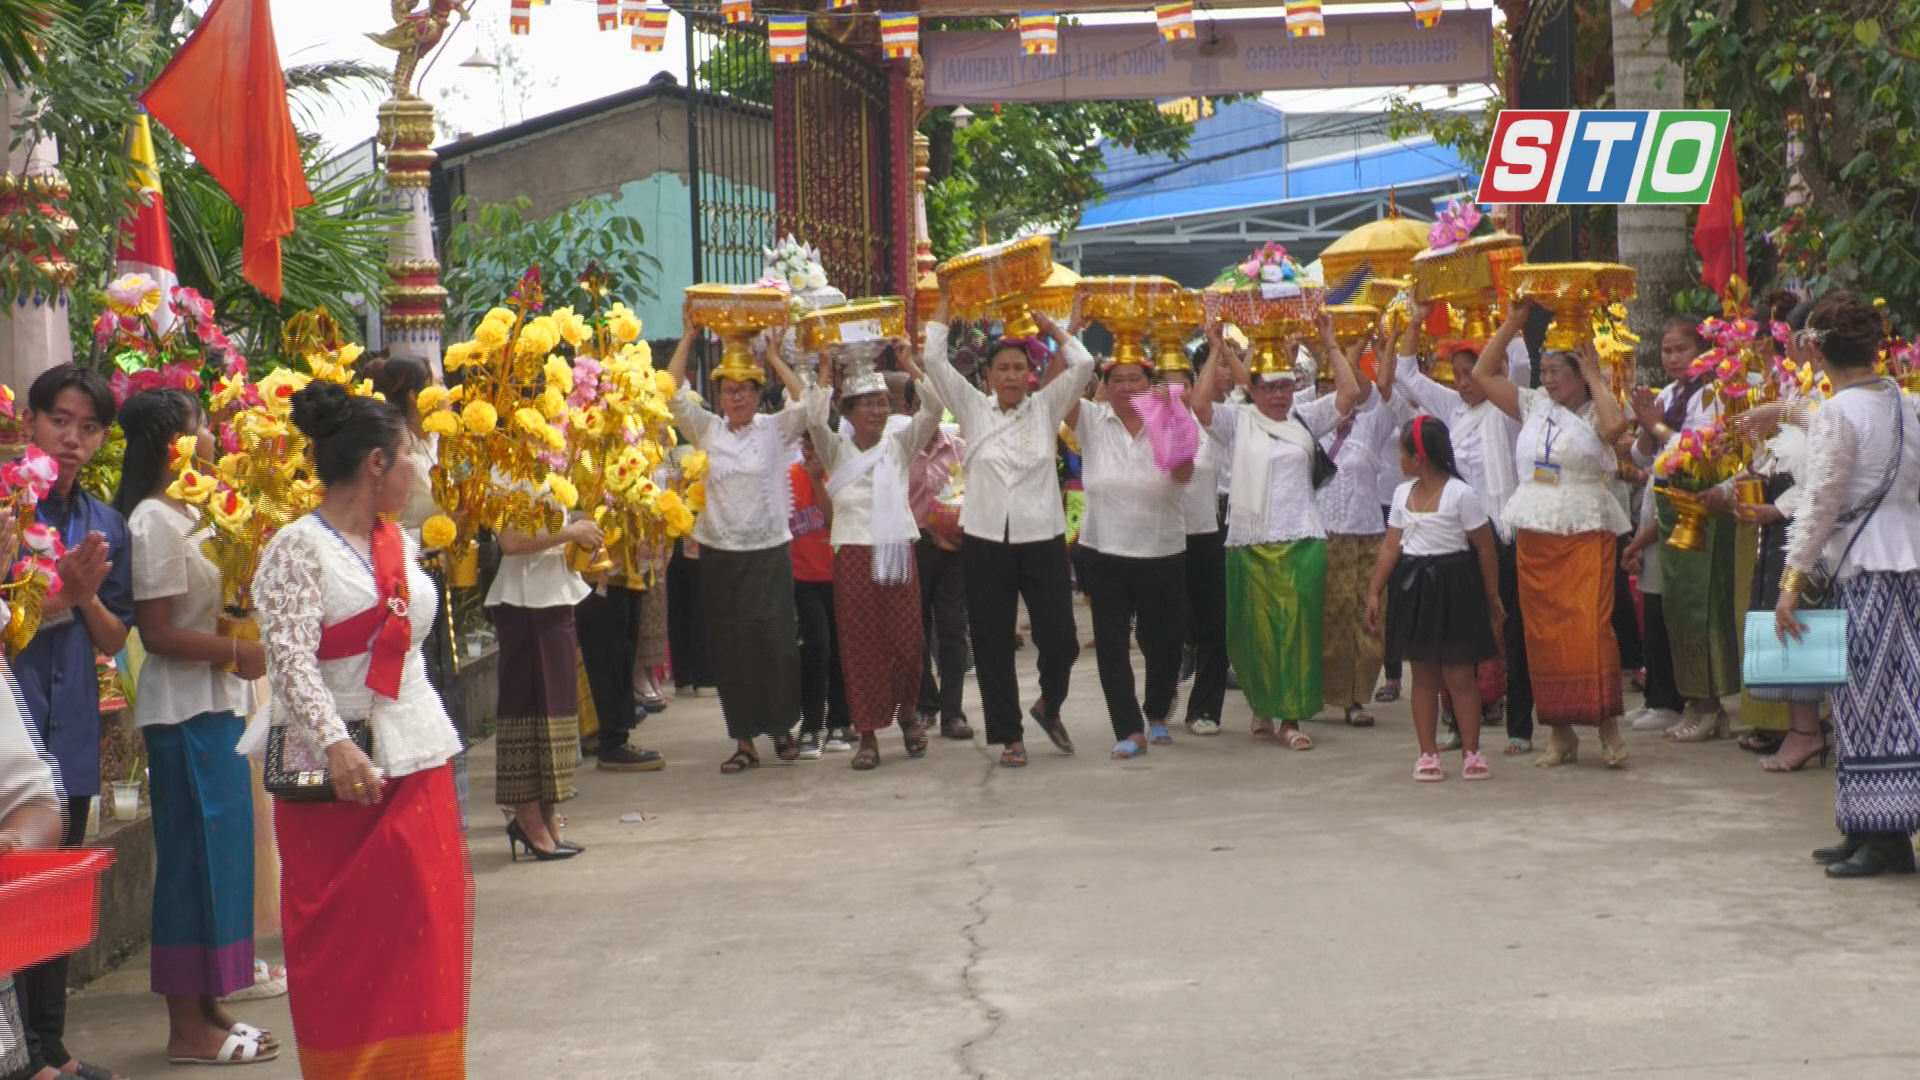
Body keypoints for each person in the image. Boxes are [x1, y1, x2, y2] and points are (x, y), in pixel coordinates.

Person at [255, 381, 469, 1078]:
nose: (418, 469)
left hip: (418, 755)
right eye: (409, 453)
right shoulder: (294, 547)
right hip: (336, 780)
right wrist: (339, 743)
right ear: (377, 462)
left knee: (424, 937)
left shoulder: (397, 540)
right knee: (349, 953)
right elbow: (288, 658)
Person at [112, 390, 275, 1065]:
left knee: (225, 858)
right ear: (171, 443)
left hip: (217, 704)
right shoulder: (153, 520)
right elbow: (158, 631)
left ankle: (210, 1002)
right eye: (200, 426)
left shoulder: (197, 509)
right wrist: (240, 652)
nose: (211, 436)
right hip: (181, 711)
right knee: (191, 862)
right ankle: (186, 1023)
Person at [11, 364, 133, 1080]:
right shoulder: (8, 510)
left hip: (73, 732)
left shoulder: (104, 522)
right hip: (14, 729)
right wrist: (62, 595)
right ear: (31, 422)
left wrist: (82, 595)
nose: (72, 438)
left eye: (89, 427)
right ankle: (20, 1052)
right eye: (60, 420)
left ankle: (49, 1046)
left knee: (55, 899)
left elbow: (116, 638)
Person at [1773, 293, 1920, 878]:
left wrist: (1791, 581)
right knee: (1893, 699)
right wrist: (1789, 415)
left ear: (1816, 348)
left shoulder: (1840, 414)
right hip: (1905, 564)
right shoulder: (1906, 402)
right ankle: (1870, 827)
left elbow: (1821, 501)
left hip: (1862, 569)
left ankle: (1881, 839)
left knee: (1865, 700)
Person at [921, 293, 1093, 768]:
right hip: (984, 541)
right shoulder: (973, 408)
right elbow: (932, 356)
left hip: (1042, 538)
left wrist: (1054, 328)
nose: (1013, 376)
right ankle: (1009, 736)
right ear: (989, 377)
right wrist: (949, 300)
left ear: (1031, 374)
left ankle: (1048, 706)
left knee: (1060, 641)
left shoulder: (1045, 408)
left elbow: (1081, 365)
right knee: (994, 642)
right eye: (1003, 369)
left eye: (1020, 367)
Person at [1192, 314, 1365, 751]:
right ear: (1252, 389)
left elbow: (1349, 394)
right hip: (1249, 543)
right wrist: (1215, 349)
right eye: (1269, 387)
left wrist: (1329, 343)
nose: (1278, 395)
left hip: (1302, 539)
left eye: (1285, 386)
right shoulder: (1239, 421)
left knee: (1297, 631)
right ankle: (1262, 704)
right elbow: (1199, 407)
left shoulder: (1305, 418)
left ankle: (1291, 716)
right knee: (1254, 632)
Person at [1472, 302, 1632, 768]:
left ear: (1579, 372)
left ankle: (1607, 727)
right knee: (1541, 634)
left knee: (1589, 629)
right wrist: (1514, 322)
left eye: (1556, 370)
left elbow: (1616, 429)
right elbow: (1483, 374)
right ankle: (1559, 733)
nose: (1547, 378)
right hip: (1536, 529)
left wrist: (1597, 377)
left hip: (1585, 527)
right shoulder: (1533, 404)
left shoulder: (1596, 407)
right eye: (1542, 369)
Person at [1381, 313, 1532, 754]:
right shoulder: (1451, 408)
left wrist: (1511, 318)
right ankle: (1453, 723)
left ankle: (1518, 726)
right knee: (1450, 637)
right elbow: (1407, 373)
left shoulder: (1509, 408)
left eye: (1474, 373)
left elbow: (1520, 366)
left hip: (1501, 533)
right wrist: (1415, 318)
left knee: (1509, 628)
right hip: (1455, 539)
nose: (1466, 383)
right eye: (1459, 375)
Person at [665, 322, 813, 772]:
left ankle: (782, 727)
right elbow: (669, 393)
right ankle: (744, 740)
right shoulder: (707, 430)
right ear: (719, 396)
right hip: (720, 554)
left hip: (768, 551)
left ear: (757, 393)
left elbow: (808, 401)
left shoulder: (773, 430)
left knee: (776, 642)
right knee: (731, 646)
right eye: (728, 391)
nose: (736, 399)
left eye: (745, 391)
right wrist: (687, 335)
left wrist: (773, 359)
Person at [806, 342, 943, 769]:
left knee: (908, 644)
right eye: (868, 404)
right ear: (847, 413)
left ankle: (907, 714)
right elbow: (812, 417)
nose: (878, 411)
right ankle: (867, 734)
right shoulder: (836, 450)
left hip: (898, 551)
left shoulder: (900, 445)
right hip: (853, 558)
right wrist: (825, 369)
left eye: (884, 403)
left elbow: (935, 408)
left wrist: (908, 364)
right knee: (860, 647)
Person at [1066, 351, 1194, 759]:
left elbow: (1183, 474)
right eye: (1117, 379)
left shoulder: (1173, 416)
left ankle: (1157, 713)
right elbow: (1060, 392)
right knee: (1111, 644)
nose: (1126, 387)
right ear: (1105, 384)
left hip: (1162, 548)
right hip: (1105, 550)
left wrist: (1169, 417)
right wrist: (1070, 337)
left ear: (1150, 381)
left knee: (1165, 641)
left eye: (1135, 379)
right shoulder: (1091, 419)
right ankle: (1129, 728)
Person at [1366, 416, 1503, 781]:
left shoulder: (1461, 495)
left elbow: (1486, 548)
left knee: (1460, 675)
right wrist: (1374, 591)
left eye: (1402, 452)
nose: (1399, 459)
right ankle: (1427, 754)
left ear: (1418, 458)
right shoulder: (1401, 494)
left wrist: (1491, 595)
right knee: (1423, 675)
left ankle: (1472, 752)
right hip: (1415, 591)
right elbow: (1391, 547)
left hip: (1455, 589)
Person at [1628, 317, 1739, 742]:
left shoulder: (1711, 394)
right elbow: (1642, 459)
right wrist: (1645, 423)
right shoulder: (1669, 394)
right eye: (1667, 350)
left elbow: (1696, 451)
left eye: (1682, 349)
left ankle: (1709, 703)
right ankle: (1694, 701)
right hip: (1671, 509)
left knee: (1701, 607)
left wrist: (1655, 426)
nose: (1673, 358)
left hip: (1701, 510)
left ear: (1702, 351)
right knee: (1677, 609)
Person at [486, 477, 597, 858]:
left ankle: (548, 812)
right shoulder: (505, 468)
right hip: (523, 602)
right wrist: (569, 532)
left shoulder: (553, 459)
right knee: (525, 710)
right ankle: (527, 816)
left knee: (556, 711)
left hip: (554, 596)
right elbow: (511, 542)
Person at [1310, 332, 1398, 729]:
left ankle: (1356, 696)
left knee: (1366, 614)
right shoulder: (1307, 425)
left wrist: (1373, 346)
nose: (1336, 395)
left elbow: (1385, 389)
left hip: (1367, 532)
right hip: (1320, 535)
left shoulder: (1372, 424)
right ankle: (1318, 691)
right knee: (1326, 615)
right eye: (1327, 387)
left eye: (1343, 384)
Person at [1161, 349, 1229, 736]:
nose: (1175, 391)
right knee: (1166, 627)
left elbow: (1219, 388)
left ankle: (1204, 708)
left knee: (1212, 628)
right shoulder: (1147, 426)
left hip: (1204, 534)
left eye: (1183, 383)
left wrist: (1217, 347)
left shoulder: (1211, 426)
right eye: (1166, 384)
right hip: (1163, 539)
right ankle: (1163, 691)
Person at [909, 380, 972, 741]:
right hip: (915, 545)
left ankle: (953, 712)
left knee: (952, 629)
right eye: (921, 403)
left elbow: (972, 490)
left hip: (953, 550)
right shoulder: (902, 449)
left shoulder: (959, 449)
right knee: (915, 630)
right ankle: (925, 702)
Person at [790, 434, 851, 757]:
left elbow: (834, 519)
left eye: (818, 444)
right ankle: (811, 725)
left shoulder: (841, 475)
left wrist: (817, 482)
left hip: (839, 575)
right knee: (817, 646)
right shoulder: (789, 477)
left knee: (842, 649)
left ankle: (840, 721)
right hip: (803, 577)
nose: (812, 452)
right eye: (807, 445)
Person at [1620, 483, 1685, 731]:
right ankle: (1653, 697)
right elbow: (1646, 515)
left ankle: (1668, 703)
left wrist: (1634, 547)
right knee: (1651, 632)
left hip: (1666, 557)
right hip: (1649, 556)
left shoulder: (1680, 454)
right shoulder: (1660, 457)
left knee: (1660, 633)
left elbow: (1664, 518)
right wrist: (1636, 548)